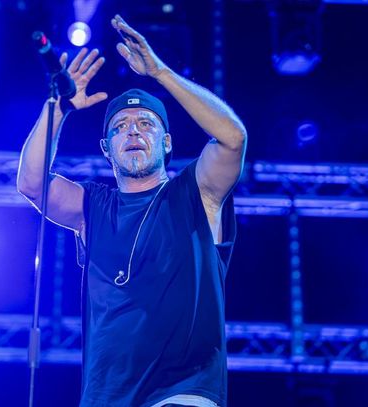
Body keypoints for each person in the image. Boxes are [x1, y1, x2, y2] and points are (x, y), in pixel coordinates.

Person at [18, 14, 247, 407]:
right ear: (107, 149)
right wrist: (58, 109)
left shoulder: (195, 192)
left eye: (146, 123)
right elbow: (31, 184)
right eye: (120, 126)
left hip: (182, 394)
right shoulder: (94, 206)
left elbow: (232, 138)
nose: (134, 131)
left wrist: (161, 73)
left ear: (167, 142)